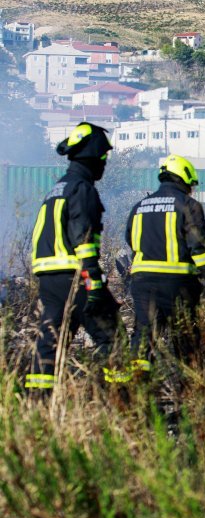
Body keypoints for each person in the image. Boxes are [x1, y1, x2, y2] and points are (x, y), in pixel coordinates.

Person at [27, 122, 119, 395]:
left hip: (49, 278)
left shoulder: (58, 189)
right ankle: (122, 397)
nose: (104, 164)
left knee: (51, 339)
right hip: (74, 276)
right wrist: (95, 285)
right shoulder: (81, 188)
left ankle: (38, 399)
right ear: (93, 157)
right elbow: (84, 240)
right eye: (103, 158)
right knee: (111, 336)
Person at [124, 154, 205, 381]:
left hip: (143, 283)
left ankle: (138, 386)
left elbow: (130, 240)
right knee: (185, 337)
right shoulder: (188, 205)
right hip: (178, 284)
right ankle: (189, 389)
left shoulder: (139, 206)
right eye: (190, 185)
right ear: (184, 179)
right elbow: (198, 246)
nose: (191, 190)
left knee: (143, 336)